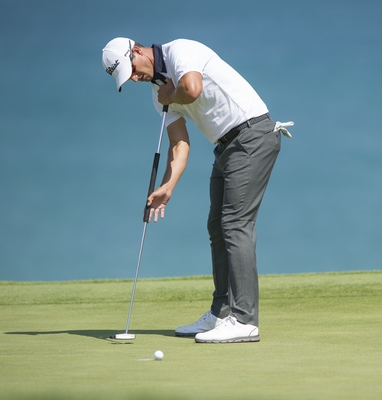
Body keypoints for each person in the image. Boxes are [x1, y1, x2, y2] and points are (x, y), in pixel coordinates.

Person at [101, 37, 292, 343]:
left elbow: (192, 89)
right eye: (128, 78)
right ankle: (221, 312)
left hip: (252, 135)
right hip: (226, 147)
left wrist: (170, 94)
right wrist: (168, 186)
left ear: (136, 51)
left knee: (235, 224)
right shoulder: (159, 94)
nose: (134, 78)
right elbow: (179, 143)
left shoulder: (180, 51)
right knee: (217, 226)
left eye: (132, 70)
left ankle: (245, 320)